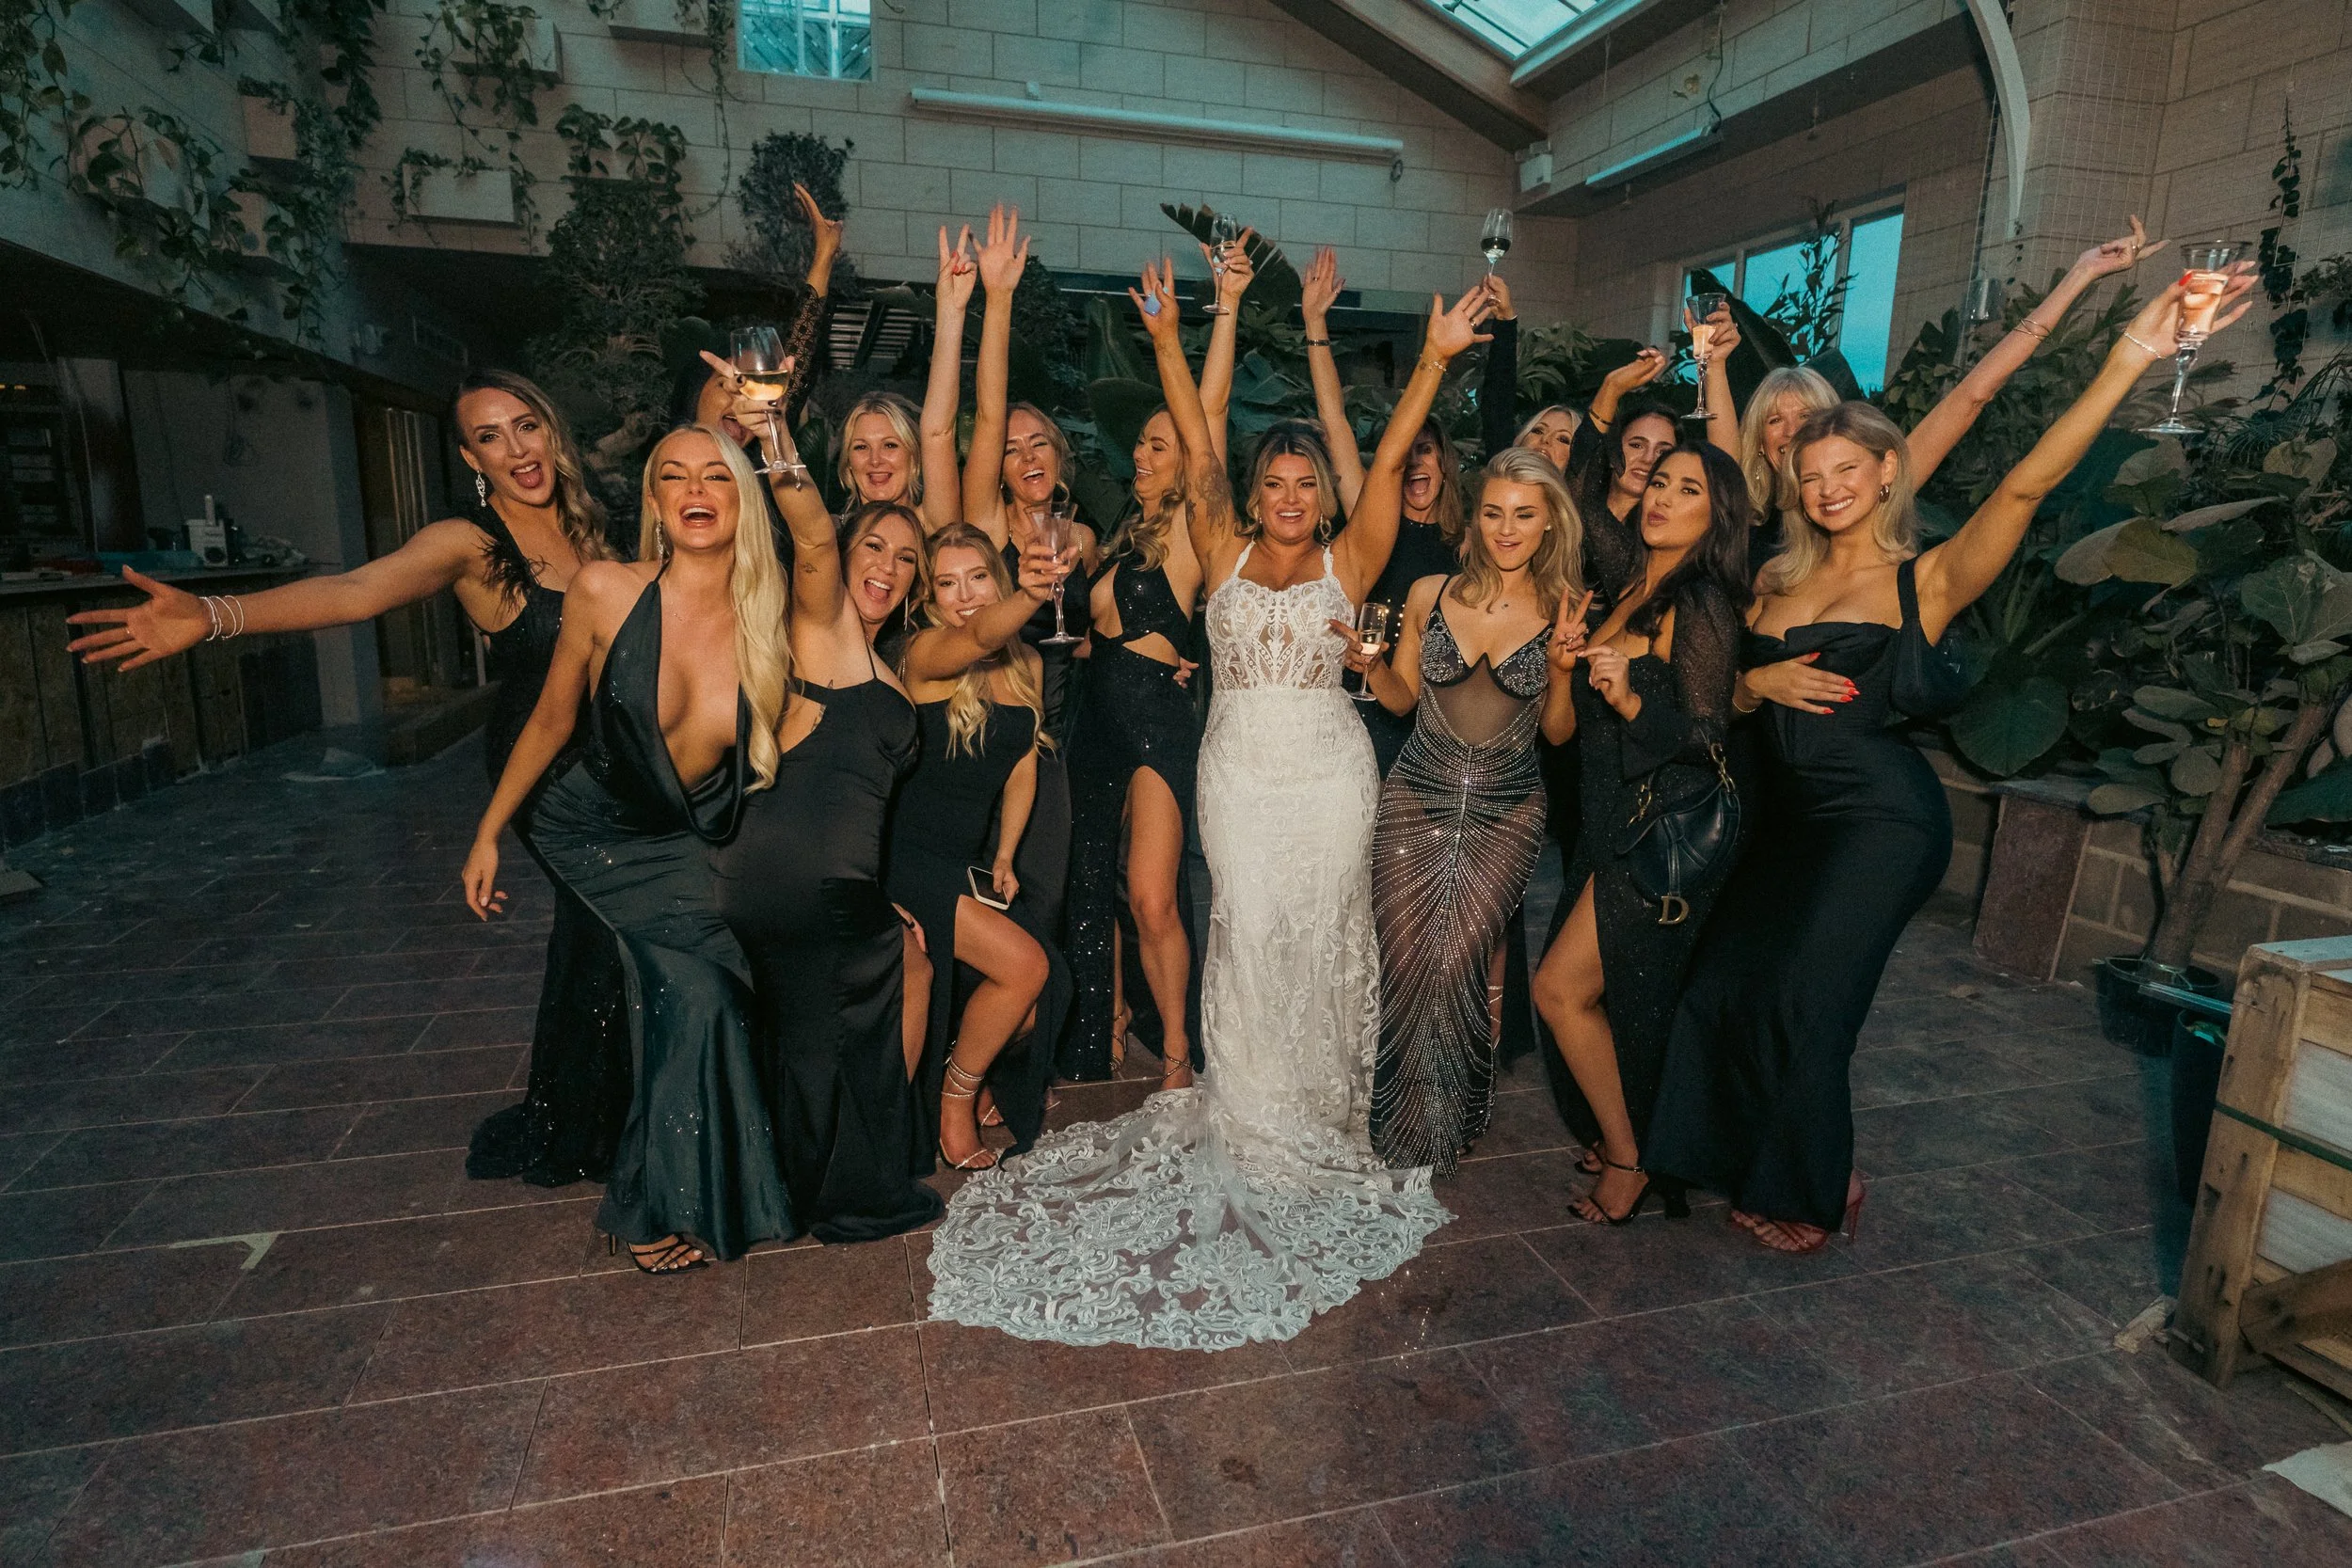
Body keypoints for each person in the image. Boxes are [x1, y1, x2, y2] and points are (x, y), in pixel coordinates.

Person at [921, 278, 1492, 1352]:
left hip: (1327, 773)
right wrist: (1170, 337)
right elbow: (1194, 428)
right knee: (1246, 927)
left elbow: (1397, 438)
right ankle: (1245, 1107)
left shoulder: (1350, 553)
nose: (1285, 493)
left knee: (1322, 931)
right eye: (1271, 479)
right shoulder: (1219, 539)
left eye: (1302, 480)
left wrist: (1433, 357)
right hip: (1235, 771)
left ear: (1326, 492)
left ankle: (1319, 1111)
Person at [1649, 268, 2255, 1253]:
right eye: (1810, 474)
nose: (1826, 486)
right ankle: (1764, 1154)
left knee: (1811, 998)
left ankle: (1810, 1186)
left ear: (1887, 473)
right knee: (1726, 980)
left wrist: (2131, 356)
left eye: (1846, 469)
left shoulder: (1922, 579)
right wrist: (1756, 688)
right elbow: (1713, 689)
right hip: (1785, 819)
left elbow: (2025, 482)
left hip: (1879, 822)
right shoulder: (1773, 572)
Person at [65, 370, 633, 1192]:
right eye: (490, 438)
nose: (516, 450)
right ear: (471, 459)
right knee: (608, 920)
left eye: (525, 427)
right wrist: (215, 617)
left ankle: (598, 1103)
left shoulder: (595, 527)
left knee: (607, 930)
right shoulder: (468, 543)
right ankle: (595, 1121)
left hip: (621, 756)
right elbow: (356, 592)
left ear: (551, 430)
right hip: (547, 767)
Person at [461, 424, 793, 1271]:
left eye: (717, 476)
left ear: (741, 500)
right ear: (653, 501)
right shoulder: (606, 590)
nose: (695, 489)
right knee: (686, 987)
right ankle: (643, 1204)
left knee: (726, 981)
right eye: (674, 475)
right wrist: (490, 830)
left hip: (683, 836)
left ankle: (706, 1180)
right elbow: (551, 717)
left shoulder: (771, 612)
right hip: (587, 828)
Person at [708, 400, 949, 1241]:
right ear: (844, 555)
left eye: (907, 557)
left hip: (825, 871)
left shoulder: (888, 662)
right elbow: (809, 534)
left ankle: (845, 1159)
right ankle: (849, 1175)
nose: (888, 565)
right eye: (873, 547)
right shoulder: (823, 622)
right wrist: (775, 439)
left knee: (875, 987)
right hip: (790, 864)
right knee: (846, 1002)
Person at [1533, 441, 1754, 1226]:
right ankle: (1627, 1136)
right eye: (1659, 481)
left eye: (1686, 488)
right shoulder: (1624, 590)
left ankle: (1630, 1157)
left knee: (1559, 990)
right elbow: (1559, 735)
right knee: (1620, 999)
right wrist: (1563, 668)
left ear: (1715, 512)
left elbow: (1706, 734)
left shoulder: (1701, 603)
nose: (1661, 497)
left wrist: (1630, 702)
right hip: (1603, 820)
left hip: (1663, 824)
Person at [1352, 447, 1583, 1174]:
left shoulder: (1565, 607)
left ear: (1549, 524)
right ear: (1474, 515)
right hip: (1415, 794)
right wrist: (1369, 667)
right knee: (1406, 961)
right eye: (1493, 513)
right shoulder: (1429, 592)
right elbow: (1403, 701)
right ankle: (1399, 1119)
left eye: (1523, 515)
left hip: (1508, 810)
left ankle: (1455, 1108)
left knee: (1455, 961)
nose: (1506, 529)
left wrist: (1564, 674)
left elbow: (1557, 734)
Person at [1733, 218, 2163, 563]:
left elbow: (1972, 393)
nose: (1791, 432)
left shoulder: (1875, 492)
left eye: (1807, 418)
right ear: (1759, 441)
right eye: (1775, 420)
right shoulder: (1742, 519)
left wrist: (2081, 273)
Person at [888, 524, 1064, 1172]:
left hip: (963, 860)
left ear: (995, 573)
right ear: (929, 595)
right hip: (903, 858)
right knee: (1025, 967)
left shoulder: (1028, 663)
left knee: (1044, 997)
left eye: (978, 577)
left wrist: (1006, 855)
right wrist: (1031, 593)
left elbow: (1022, 763)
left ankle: (968, 1067)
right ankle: (953, 1101)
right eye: (946, 582)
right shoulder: (925, 651)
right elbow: (978, 634)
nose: (965, 595)